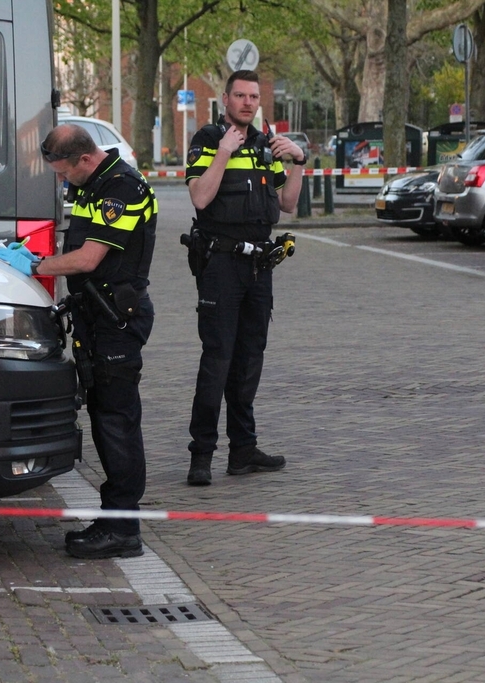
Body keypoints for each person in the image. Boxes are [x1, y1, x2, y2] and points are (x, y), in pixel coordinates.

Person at [0, 123, 157, 558]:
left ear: (85, 159)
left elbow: (89, 258)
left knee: (117, 422)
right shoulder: (93, 183)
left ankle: (124, 528)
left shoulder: (121, 188)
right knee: (105, 417)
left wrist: (35, 267)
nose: (62, 182)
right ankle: (114, 517)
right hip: (96, 318)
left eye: (64, 173)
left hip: (116, 322)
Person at [183, 70, 306, 486]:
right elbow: (200, 196)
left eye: (254, 96)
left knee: (249, 360)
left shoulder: (262, 145)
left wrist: (298, 163)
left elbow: (287, 205)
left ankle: (243, 450)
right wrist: (222, 152)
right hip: (221, 264)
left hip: (259, 267)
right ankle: (201, 456)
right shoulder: (206, 139)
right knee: (217, 361)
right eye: (240, 95)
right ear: (226, 98)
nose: (248, 103)